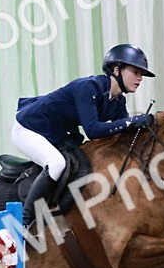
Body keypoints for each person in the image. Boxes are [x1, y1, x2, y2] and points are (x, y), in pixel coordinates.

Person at [11, 43, 156, 228]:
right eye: (136, 72)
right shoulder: (88, 87)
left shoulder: (118, 100)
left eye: (141, 75)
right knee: (56, 164)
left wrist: (150, 125)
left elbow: (124, 132)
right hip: (28, 128)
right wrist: (132, 121)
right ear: (117, 70)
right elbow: (93, 130)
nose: (140, 78)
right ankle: (24, 221)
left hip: (55, 133)